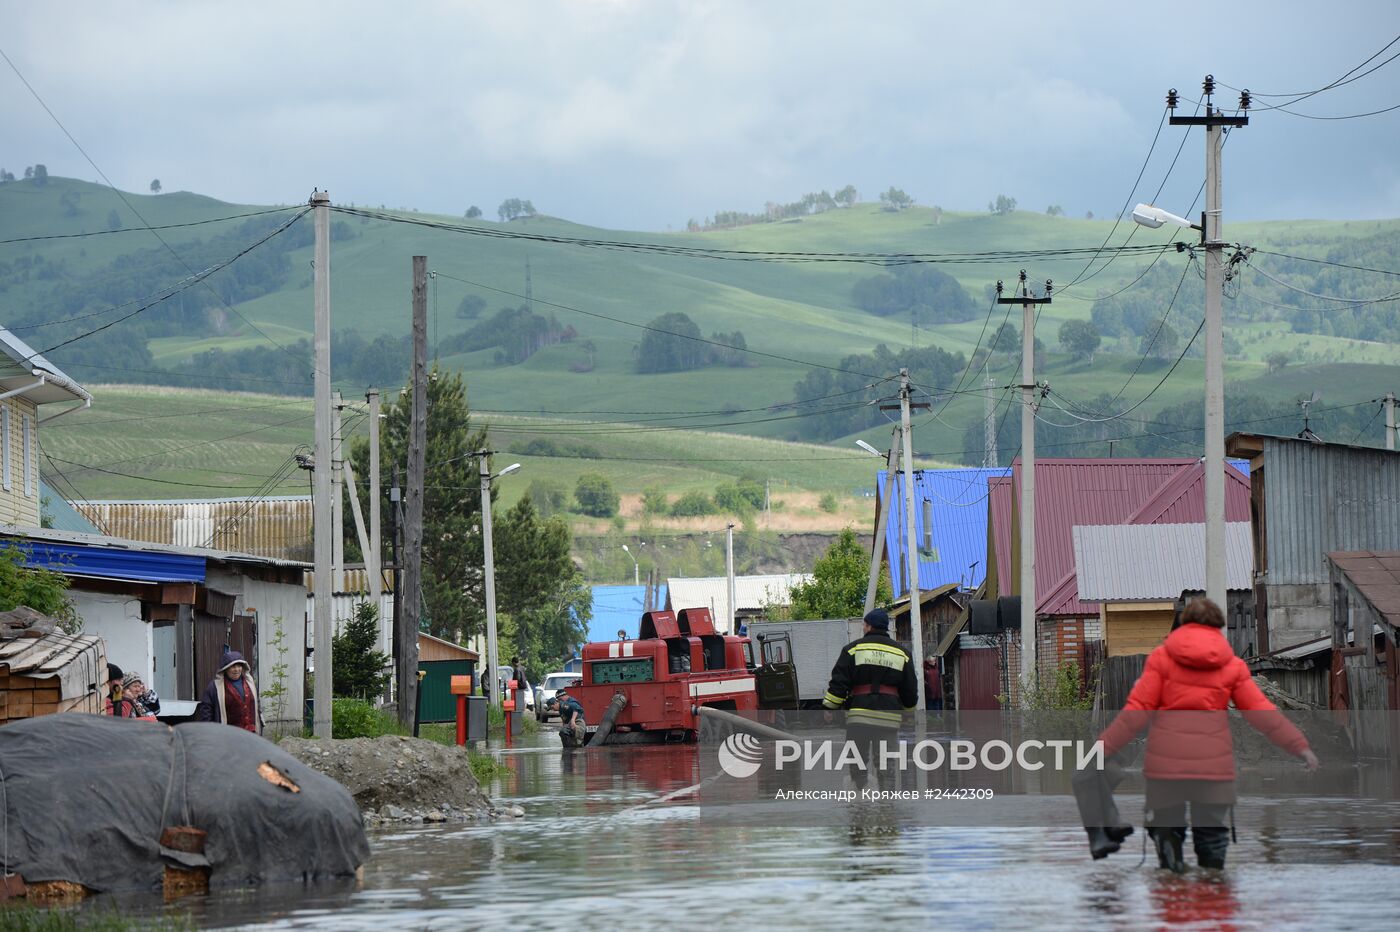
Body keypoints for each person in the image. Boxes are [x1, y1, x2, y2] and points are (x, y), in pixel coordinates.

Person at [1099, 598, 1319, 872]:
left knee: (1166, 828)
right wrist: (1299, 746)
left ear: (1184, 623)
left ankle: (1172, 883)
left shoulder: (1161, 659)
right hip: (1213, 770)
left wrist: (1101, 749)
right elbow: (1260, 711)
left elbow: (1137, 712)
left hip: (1166, 770)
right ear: (1218, 626)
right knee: (1212, 835)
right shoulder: (1231, 665)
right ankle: (1213, 893)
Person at [821, 608, 919, 787]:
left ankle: (860, 803)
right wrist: (908, 711)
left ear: (868, 626)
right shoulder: (902, 654)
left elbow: (839, 682)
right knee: (886, 764)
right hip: (889, 716)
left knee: (857, 760)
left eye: (864, 625)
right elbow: (910, 689)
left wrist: (829, 708)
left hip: (859, 715)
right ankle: (887, 808)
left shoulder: (852, 650)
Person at [196, 650, 261, 734]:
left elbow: (257, 705)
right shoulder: (215, 687)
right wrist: (210, 732)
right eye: (233, 666)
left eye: (239, 666)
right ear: (225, 669)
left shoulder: (250, 682)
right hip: (228, 735)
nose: (236, 669)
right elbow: (206, 712)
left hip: (251, 734)